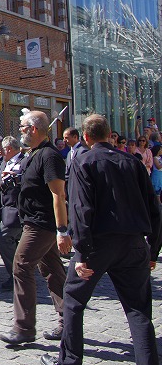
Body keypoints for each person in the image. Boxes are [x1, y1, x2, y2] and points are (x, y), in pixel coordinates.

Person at [39, 114, 161, 365]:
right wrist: (152, 250)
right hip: (134, 243)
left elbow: (81, 210)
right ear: (108, 135)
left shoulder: (84, 163)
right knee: (138, 309)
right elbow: (154, 208)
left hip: (98, 245)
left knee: (73, 300)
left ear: (85, 137)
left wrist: (81, 253)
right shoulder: (133, 162)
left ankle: (70, 360)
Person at [0, 110, 71, 346]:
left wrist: (62, 230)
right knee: (52, 271)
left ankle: (24, 328)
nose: (19, 130)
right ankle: (68, 322)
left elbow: (58, 194)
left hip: (42, 224)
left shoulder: (50, 156)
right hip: (34, 220)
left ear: (34, 129)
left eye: (22, 127)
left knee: (21, 266)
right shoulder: (33, 154)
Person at [0, 136, 26, 290]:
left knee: (3, 238)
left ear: (9, 149)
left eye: (2, 150)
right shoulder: (4, 162)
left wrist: (17, 179)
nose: (0, 152)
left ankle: (18, 276)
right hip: (5, 208)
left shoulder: (23, 162)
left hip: (17, 209)